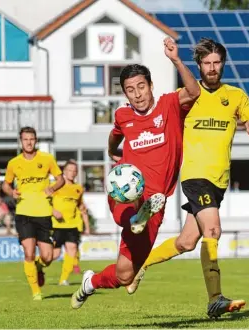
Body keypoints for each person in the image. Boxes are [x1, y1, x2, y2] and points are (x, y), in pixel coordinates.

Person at [126, 38, 249, 319]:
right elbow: (157, 123)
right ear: (199, 66)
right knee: (213, 230)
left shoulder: (236, 95)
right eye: (207, 63)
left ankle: (140, 265)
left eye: (217, 63)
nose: (212, 68)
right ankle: (215, 298)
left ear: (222, 64)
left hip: (219, 180)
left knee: (186, 241)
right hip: (194, 176)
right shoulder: (187, 96)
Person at [70, 37, 200, 309]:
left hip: (158, 201)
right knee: (130, 212)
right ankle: (139, 211)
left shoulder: (169, 105)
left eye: (141, 86)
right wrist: (111, 152)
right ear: (125, 94)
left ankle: (90, 282)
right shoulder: (122, 116)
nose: (137, 93)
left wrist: (176, 59)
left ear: (151, 86)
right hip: (124, 189)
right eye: (130, 90)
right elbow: (114, 135)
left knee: (125, 274)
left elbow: (194, 91)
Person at [2, 126, 65, 301]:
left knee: (48, 257)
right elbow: (5, 184)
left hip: (44, 213)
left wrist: (52, 188)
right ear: (21, 141)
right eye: (25, 139)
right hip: (24, 213)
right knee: (28, 253)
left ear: (35, 140)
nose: (28, 142)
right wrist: (11, 192)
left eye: (31, 139)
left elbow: (61, 179)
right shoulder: (14, 163)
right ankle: (36, 292)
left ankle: (38, 266)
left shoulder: (47, 159)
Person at [50, 160, 90, 286]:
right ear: (64, 171)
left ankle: (63, 279)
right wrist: (53, 211)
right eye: (70, 170)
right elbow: (44, 202)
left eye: (74, 171)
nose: (72, 173)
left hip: (72, 225)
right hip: (56, 225)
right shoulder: (55, 186)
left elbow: (81, 207)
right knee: (54, 255)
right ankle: (38, 266)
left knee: (72, 250)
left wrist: (87, 226)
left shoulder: (78, 189)